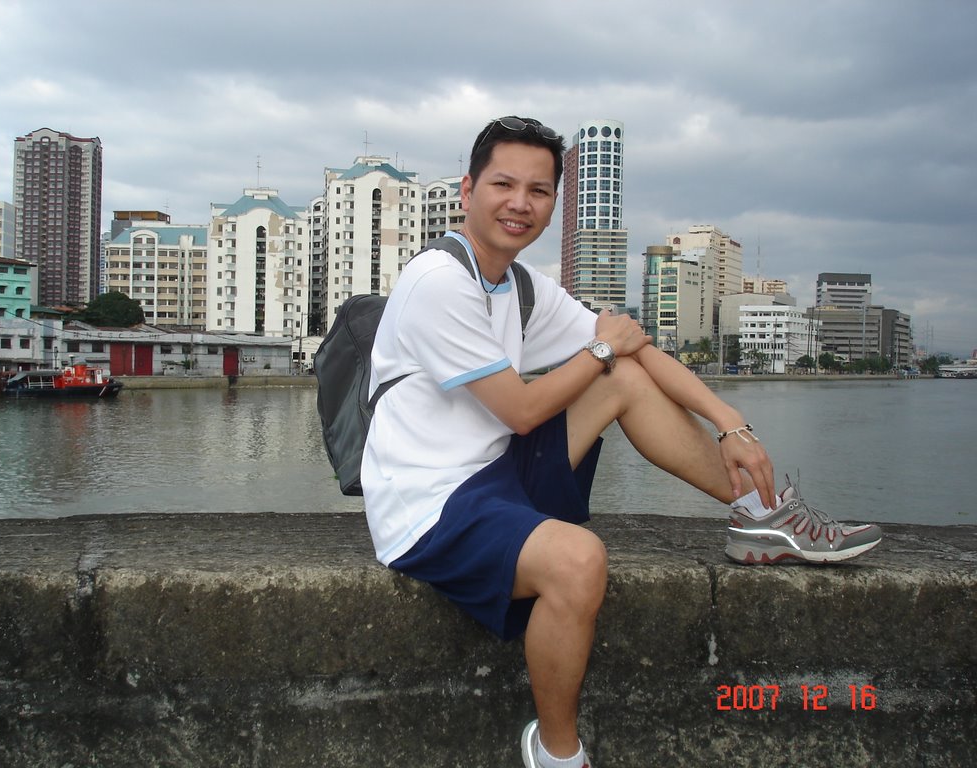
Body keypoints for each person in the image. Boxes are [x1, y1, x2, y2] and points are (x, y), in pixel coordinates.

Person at [361, 116, 882, 768]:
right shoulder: (439, 280)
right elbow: (523, 411)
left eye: (539, 190)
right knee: (580, 561)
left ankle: (761, 511)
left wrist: (731, 422)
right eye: (503, 183)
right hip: (429, 504)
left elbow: (634, 353)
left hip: (494, 471)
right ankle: (557, 754)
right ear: (467, 190)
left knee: (625, 377)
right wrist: (604, 344)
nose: (520, 203)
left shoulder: (518, 288)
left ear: (554, 203)